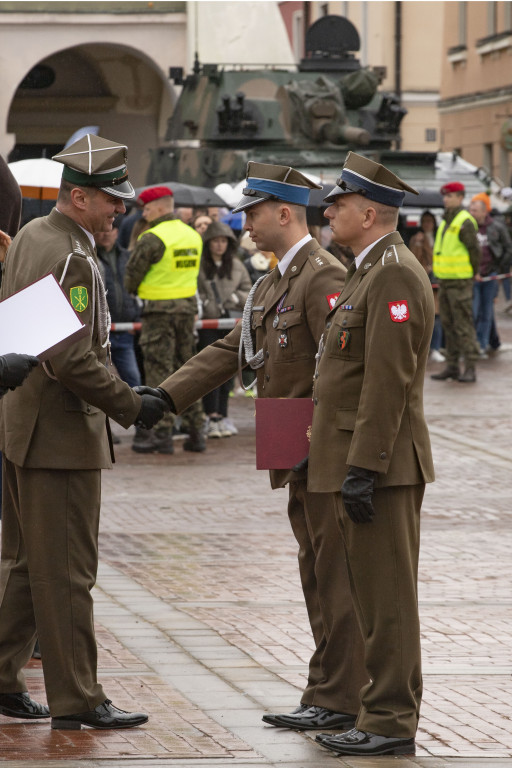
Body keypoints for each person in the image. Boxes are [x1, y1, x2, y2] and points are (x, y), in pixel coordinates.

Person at [141, 162, 368, 732]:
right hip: (286, 430)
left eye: (254, 211)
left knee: (335, 571)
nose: (244, 222)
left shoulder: (322, 276)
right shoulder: (271, 281)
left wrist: (332, 443)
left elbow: (345, 367)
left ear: (285, 213)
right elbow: (231, 349)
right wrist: (165, 397)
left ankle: (341, 697)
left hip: (316, 437)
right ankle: (324, 689)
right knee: (313, 567)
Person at [0, 134, 167, 730]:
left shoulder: (31, 236)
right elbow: (69, 356)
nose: (120, 209)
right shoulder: (70, 253)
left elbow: (18, 328)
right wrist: (129, 403)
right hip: (60, 432)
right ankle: (79, 697)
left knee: (22, 564)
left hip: (22, 425)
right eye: (110, 199)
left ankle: (1, 676)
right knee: (68, 570)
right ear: (77, 198)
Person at [304, 151, 435, 757]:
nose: (329, 210)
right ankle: (375, 709)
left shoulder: (394, 274)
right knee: (369, 598)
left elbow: (389, 380)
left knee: (387, 601)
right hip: (358, 463)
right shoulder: (365, 269)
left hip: (380, 467)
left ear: (370, 211)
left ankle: (388, 719)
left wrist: (365, 465)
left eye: (339, 203)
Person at [124, 185, 206, 455]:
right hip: (186, 310)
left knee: (160, 371)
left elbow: (131, 278)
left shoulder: (152, 237)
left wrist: (135, 289)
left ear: (160, 207)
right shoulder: (192, 235)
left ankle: (161, 434)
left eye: (146, 209)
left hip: (158, 312)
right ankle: (196, 431)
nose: (144, 214)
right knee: (187, 370)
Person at [197, 221, 252, 437]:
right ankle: (211, 416)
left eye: (223, 241)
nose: (219, 246)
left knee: (228, 371)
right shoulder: (199, 265)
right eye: (215, 241)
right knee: (209, 370)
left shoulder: (237, 266)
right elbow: (194, 290)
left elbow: (249, 292)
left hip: (230, 324)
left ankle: (223, 415)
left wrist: (235, 298)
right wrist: (206, 303)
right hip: (207, 325)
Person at [431, 181, 481, 383]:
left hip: (460, 282)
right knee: (448, 325)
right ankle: (452, 366)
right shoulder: (446, 220)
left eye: (450, 196)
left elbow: (474, 251)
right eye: (445, 196)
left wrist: (473, 273)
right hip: (445, 281)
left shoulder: (464, 221)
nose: (446, 199)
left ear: (460, 198)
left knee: (463, 326)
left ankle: (470, 367)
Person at [469, 197, 512, 356]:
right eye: (470, 210)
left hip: (490, 276)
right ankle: (476, 342)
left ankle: (481, 344)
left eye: (474, 210)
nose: (471, 213)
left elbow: (508, 248)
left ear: (483, 211)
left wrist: (500, 269)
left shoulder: (496, 227)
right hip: (473, 276)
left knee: (486, 311)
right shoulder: (468, 226)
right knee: (474, 310)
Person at [408, 211, 444, 361]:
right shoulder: (417, 238)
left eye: (430, 221)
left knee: (438, 317)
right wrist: (418, 243)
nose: (427, 224)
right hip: (425, 281)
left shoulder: (439, 237)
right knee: (425, 316)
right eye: (424, 221)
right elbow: (413, 258)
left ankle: (436, 347)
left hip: (439, 281)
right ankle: (426, 349)